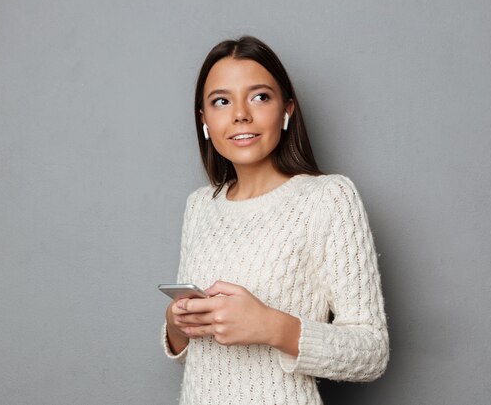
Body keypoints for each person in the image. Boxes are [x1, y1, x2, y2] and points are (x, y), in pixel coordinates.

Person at [162, 35, 389, 405]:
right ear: (204, 119)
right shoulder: (200, 205)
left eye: (259, 96)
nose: (240, 114)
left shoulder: (328, 198)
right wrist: (177, 324)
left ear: (287, 110)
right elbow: (192, 349)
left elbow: (372, 352)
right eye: (221, 101)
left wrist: (271, 326)